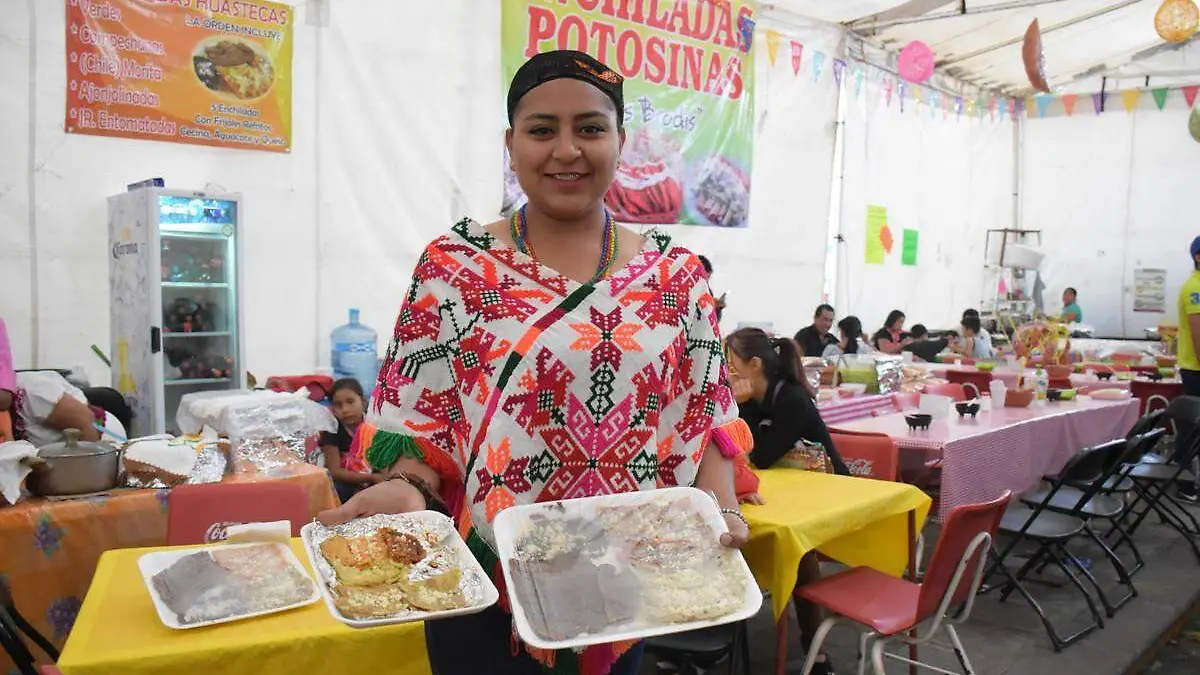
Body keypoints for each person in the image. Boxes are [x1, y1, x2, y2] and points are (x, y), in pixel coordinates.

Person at [317, 51, 747, 675]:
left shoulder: (675, 276)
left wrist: (722, 509)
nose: (566, 150)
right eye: (542, 129)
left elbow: (704, 412)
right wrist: (407, 486)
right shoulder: (454, 268)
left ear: (621, 141)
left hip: (625, 583)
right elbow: (423, 416)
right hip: (482, 584)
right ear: (510, 144)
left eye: (590, 128)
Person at [725, 327, 846, 675]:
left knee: (799, 547)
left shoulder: (792, 400)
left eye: (731, 363)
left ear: (754, 365)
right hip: (786, 488)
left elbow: (760, 456)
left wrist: (741, 408)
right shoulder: (759, 399)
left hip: (829, 492)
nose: (727, 371)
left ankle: (816, 650)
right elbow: (746, 454)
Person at [0, 317, 126, 447]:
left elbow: (85, 422)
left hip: (102, 435)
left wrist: (89, 459)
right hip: (60, 451)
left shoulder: (32, 390)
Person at [319, 378, 381, 503]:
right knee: (336, 491)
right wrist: (370, 478)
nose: (345, 409)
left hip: (377, 478)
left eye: (350, 402)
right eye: (338, 405)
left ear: (363, 402)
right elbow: (334, 471)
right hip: (348, 481)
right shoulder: (331, 430)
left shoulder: (376, 424)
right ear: (332, 409)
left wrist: (378, 479)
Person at [1175, 238, 1200, 502]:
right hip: (1196, 368)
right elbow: (1197, 331)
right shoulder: (1195, 287)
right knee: (1192, 426)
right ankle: (1184, 484)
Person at [698, 254, 727, 321]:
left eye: (708, 278)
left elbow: (712, 322)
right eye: (705, 278)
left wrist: (718, 308)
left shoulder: (707, 292)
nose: (707, 282)